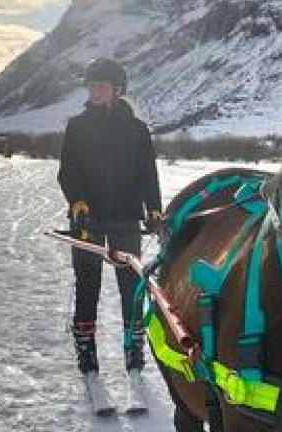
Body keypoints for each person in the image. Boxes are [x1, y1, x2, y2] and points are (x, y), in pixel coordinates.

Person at [57, 57, 163, 414]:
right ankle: (88, 358)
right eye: (91, 85)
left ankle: (134, 357)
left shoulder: (137, 131)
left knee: (131, 290)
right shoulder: (77, 126)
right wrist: (78, 202)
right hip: (87, 219)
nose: (95, 91)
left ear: (118, 89)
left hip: (124, 219)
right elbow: (67, 172)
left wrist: (154, 207)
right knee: (88, 285)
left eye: (101, 85)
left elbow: (148, 173)